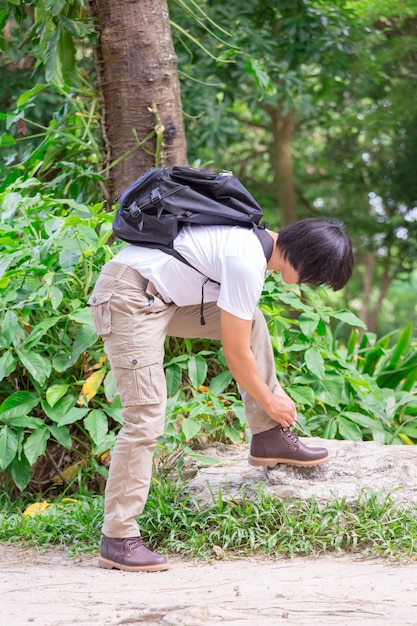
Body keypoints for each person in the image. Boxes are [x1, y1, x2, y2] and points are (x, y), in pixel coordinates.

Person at [88, 217, 353, 572]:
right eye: (319, 275)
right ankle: (117, 538)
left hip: (161, 297)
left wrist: (269, 398)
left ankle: (268, 436)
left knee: (252, 319)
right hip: (129, 297)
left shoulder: (253, 246)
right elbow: (235, 352)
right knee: (145, 417)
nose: (314, 284)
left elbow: (240, 333)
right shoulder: (246, 261)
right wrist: (272, 398)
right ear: (307, 261)